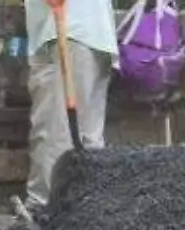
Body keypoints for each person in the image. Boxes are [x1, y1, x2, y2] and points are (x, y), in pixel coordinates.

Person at [24, 0, 117, 209]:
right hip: (91, 34)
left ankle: (45, 210)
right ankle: (90, 212)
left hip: (67, 30)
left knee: (54, 130)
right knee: (88, 136)